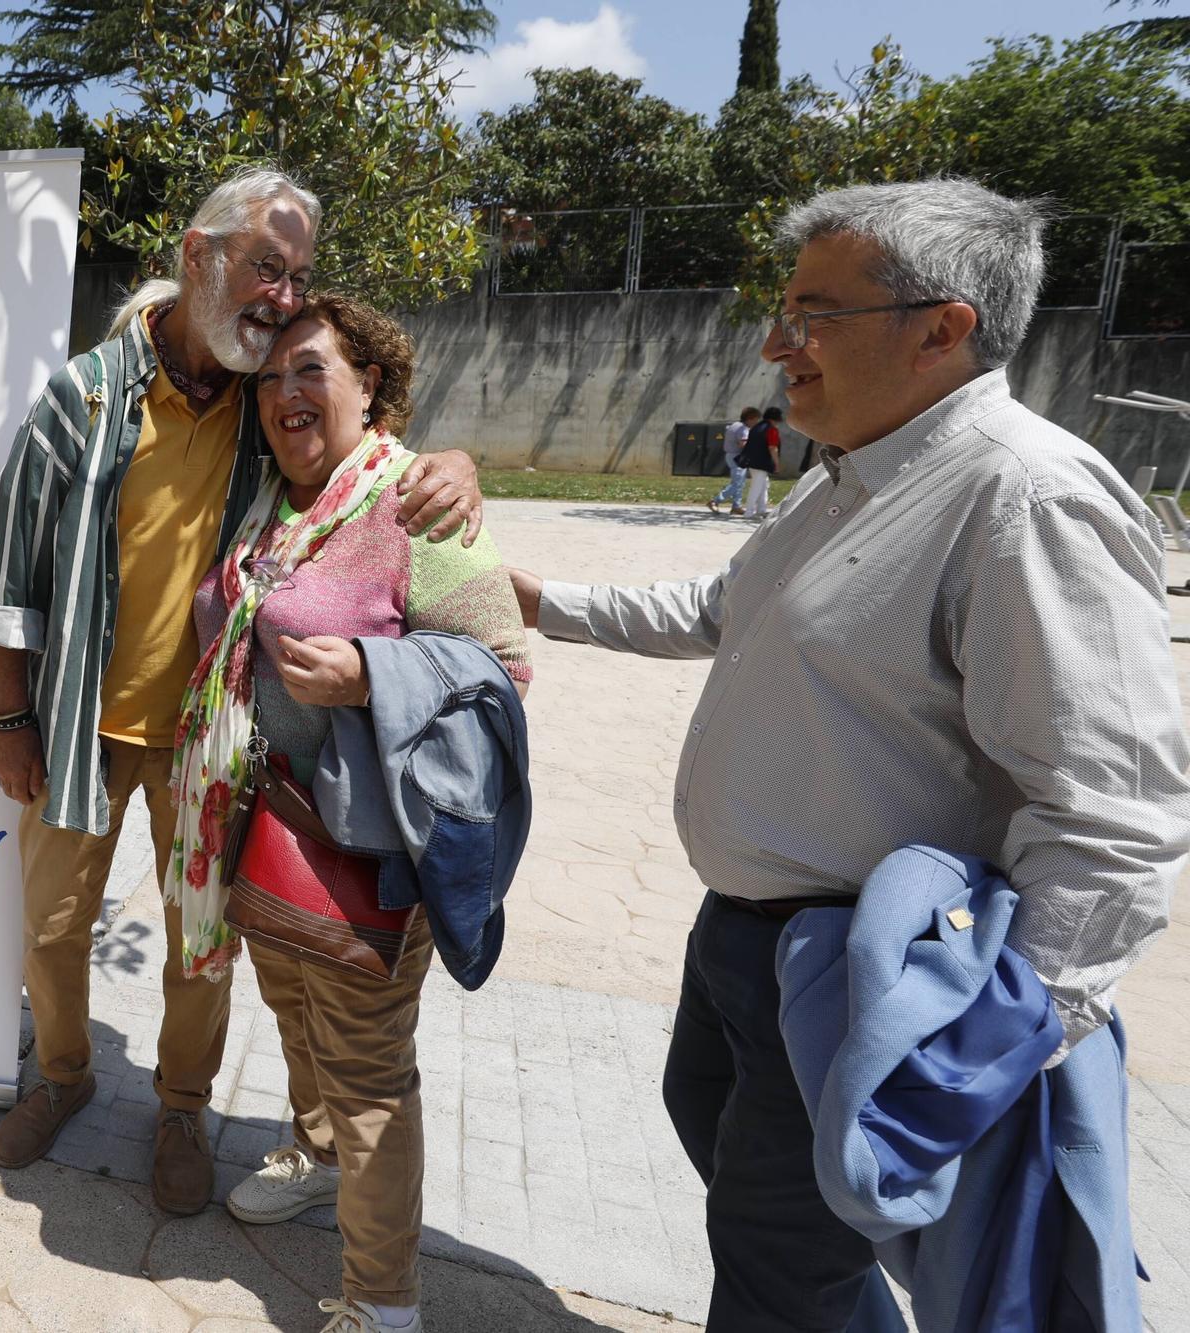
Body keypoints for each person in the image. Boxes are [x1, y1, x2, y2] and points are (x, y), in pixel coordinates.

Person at [509, 177, 1190, 1331]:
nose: (776, 344)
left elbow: (1111, 820)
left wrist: (981, 1052)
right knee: (756, 1201)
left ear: (942, 325)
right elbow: (715, 609)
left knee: (777, 1260)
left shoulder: (1023, 498)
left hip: (858, 982)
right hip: (748, 946)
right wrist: (536, 597)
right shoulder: (847, 474)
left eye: (812, 313)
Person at [0, 167, 485, 1216]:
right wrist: (10, 714)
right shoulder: (84, 395)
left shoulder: (265, 405)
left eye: (296, 275)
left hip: (209, 735)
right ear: (197, 255)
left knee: (196, 938)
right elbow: (9, 576)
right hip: (74, 725)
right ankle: (65, 1076)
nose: (281, 295)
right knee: (49, 924)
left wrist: (457, 464)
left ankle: (178, 1105)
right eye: (266, 265)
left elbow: (360, 457)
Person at [175, 293, 531, 1333]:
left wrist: (374, 674)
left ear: (367, 384)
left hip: (367, 851)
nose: (286, 392)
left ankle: (383, 1301)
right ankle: (317, 1155)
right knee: (292, 1020)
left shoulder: (413, 506)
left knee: (369, 1077)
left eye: (311, 369)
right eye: (271, 376)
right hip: (265, 828)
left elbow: (499, 676)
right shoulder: (271, 503)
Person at [705, 406, 758, 515]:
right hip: (737, 457)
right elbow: (743, 444)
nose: (756, 422)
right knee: (737, 484)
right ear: (750, 418)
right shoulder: (743, 429)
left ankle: (736, 506)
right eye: (755, 419)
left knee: (740, 482)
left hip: (731, 456)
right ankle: (715, 501)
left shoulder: (734, 425)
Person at [734, 406, 781, 519]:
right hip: (762, 462)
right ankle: (749, 512)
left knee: (763, 485)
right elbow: (772, 448)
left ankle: (761, 509)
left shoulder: (757, 427)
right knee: (757, 486)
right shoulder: (771, 429)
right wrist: (777, 464)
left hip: (752, 461)